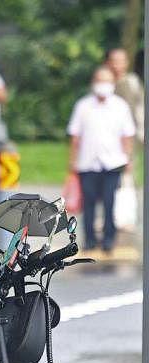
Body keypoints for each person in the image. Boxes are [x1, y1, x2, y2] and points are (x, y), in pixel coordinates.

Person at [67, 66, 135, 253]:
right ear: (93, 83)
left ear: (113, 84)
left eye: (106, 81)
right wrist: (72, 161)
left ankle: (108, 239)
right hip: (87, 163)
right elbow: (75, 135)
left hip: (113, 162)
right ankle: (89, 239)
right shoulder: (83, 106)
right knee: (88, 203)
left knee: (109, 201)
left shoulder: (120, 106)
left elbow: (127, 135)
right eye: (99, 80)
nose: (102, 85)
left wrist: (128, 158)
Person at [107, 48, 144, 144]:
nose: (117, 65)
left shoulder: (133, 82)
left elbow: (140, 107)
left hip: (129, 131)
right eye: (114, 61)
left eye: (121, 61)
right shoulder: (103, 84)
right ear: (108, 63)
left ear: (126, 63)